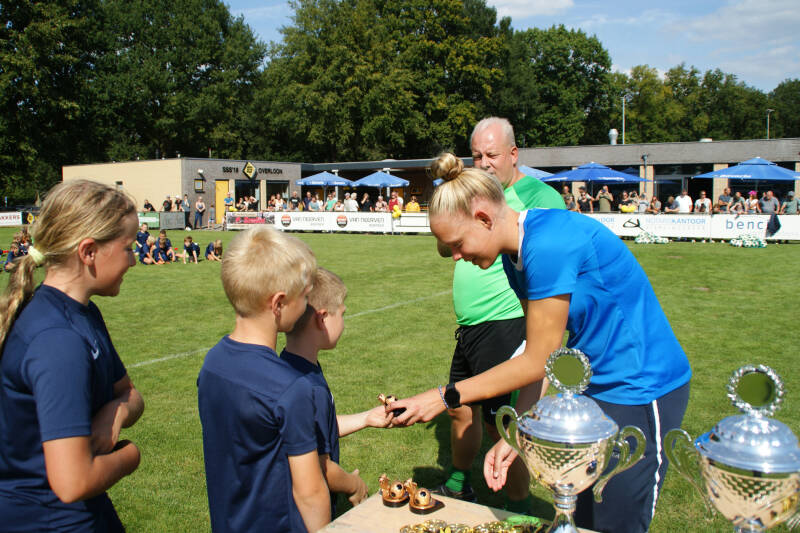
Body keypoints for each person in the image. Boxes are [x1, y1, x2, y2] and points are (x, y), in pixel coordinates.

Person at [390, 153, 692, 533]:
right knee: (582, 515)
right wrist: (519, 429)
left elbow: (537, 360)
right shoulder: (513, 257)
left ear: (483, 218)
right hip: (595, 388)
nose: (455, 256)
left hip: (642, 388)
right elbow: (543, 355)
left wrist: (443, 396)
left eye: (457, 243)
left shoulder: (546, 246)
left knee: (615, 520)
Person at [430, 118, 565, 513]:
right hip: (470, 327)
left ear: (513, 154)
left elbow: (551, 262)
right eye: (476, 155)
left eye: (491, 154)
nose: (484, 163)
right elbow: (446, 247)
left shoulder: (538, 197)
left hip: (507, 324)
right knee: (460, 408)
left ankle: (519, 506)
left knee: (502, 422)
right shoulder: (470, 195)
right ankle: (460, 480)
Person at [0, 179, 144, 531]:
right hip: (49, 520)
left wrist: (115, 412)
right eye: (127, 247)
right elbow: (72, 482)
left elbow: (129, 393)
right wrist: (130, 455)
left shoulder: (82, 314)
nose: (134, 260)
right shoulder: (57, 340)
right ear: (89, 251)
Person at [197, 226, 330, 533]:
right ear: (278, 303)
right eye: (305, 295)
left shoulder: (212, 363)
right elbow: (310, 493)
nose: (308, 305)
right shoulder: (290, 387)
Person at [281, 267, 394, 518]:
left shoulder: (288, 366)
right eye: (342, 314)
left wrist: (366, 418)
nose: (344, 321)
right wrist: (354, 486)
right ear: (322, 319)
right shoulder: (308, 387)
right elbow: (320, 467)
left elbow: (312, 432)